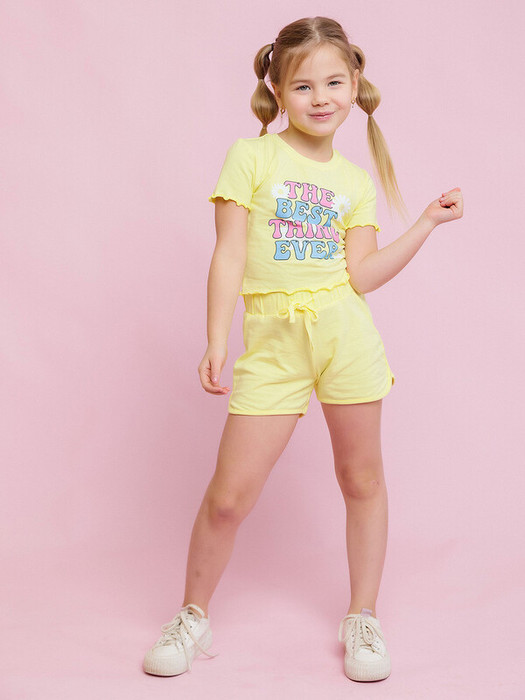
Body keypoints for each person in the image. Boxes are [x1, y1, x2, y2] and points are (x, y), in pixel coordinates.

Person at [142, 16, 463, 683]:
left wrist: (426, 224)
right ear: (277, 91)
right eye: (303, 86)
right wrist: (216, 336)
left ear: (355, 84)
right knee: (228, 497)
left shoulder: (354, 181)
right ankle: (192, 615)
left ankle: (362, 616)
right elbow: (229, 252)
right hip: (274, 343)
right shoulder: (251, 157)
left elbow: (362, 275)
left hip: (346, 337)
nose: (321, 98)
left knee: (361, 480)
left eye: (334, 83)